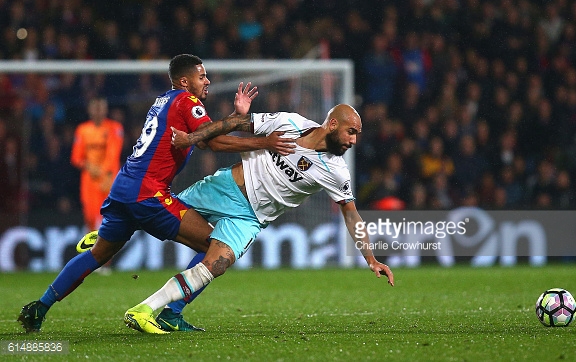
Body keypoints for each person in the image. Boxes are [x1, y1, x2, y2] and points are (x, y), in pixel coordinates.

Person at [17, 54, 295, 333]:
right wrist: (264, 142)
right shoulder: (188, 101)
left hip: (123, 187)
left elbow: (204, 136)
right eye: (202, 76)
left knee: (98, 255)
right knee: (213, 249)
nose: (207, 81)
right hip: (148, 193)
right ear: (185, 81)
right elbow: (212, 142)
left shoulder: (165, 100)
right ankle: (171, 313)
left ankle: (39, 307)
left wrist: (237, 117)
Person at [121, 104, 394, 334]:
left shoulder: (336, 172)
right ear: (332, 124)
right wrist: (195, 137)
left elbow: (351, 214)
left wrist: (370, 258)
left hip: (250, 218)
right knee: (157, 210)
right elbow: (238, 123)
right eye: (351, 132)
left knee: (217, 262)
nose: (354, 140)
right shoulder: (290, 123)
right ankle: (111, 234)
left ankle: (149, 310)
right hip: (224, 187)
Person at [71, 97, 124, 232]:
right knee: (89, 217)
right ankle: (92, 250)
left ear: (106, 109)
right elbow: (76, 157)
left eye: (101, 107)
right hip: (89, 180)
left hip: (108, 178)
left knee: (111, 218)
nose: (98, 111)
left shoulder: (115, 128)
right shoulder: (82, 130)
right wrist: (89, 166)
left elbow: (114, 153)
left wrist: (105, 173)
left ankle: (109, 250)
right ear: (89, 109)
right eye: (95, 107)